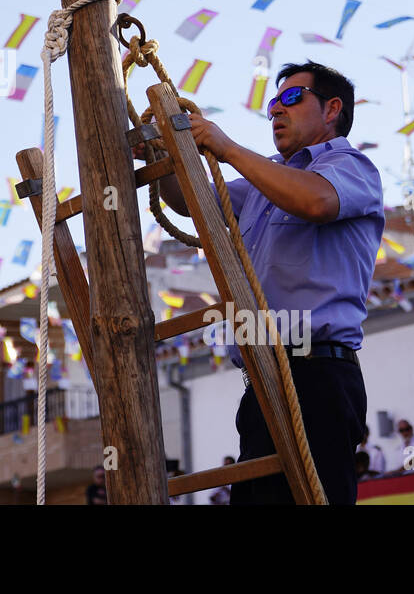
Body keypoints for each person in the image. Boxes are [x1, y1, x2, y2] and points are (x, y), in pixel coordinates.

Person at [150, 62, 384, 505]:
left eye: (292, 99)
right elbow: (185, 200)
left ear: (332, 109)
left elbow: (315, 200)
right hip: (262, 377)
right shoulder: (262, 182)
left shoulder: (352, 167)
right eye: (273, 103)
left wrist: (225, 145)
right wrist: (160, 155)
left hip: (318, 375)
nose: (276, 110)